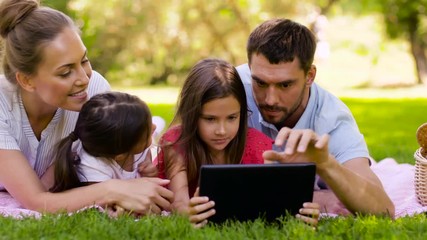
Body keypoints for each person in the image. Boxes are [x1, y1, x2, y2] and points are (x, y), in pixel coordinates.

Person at [0, 0, 172, 215]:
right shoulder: (2, 104)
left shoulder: (96, 88)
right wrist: (112, 190)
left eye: (84, 60)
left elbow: (114, 157)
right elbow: (36, 200)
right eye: (65, 72)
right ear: (27, 81)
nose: (83, 78)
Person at [236, 18, 395, 217]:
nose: (270, 99)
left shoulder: (333, 120)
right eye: (260, 83)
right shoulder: (232, 89)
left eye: (285, 85)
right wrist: (315, 197)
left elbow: (385, 210)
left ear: (310, 75)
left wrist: (326, 163)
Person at [155, 58, 320, 228]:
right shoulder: (176, 141)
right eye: (210, 119)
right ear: (191, 115)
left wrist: (299, 213)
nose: (222, 130)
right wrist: (189, 211)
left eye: (232, 118)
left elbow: (269, 200)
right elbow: (179, 202)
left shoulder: (257, 144)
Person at [50, 91, 157, 194]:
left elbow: (146, 150)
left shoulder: (132, 144)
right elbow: (104, 200)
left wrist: (148, 162)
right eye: (147, 131)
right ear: (120, 156)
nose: (154, 127)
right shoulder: (94, 167)